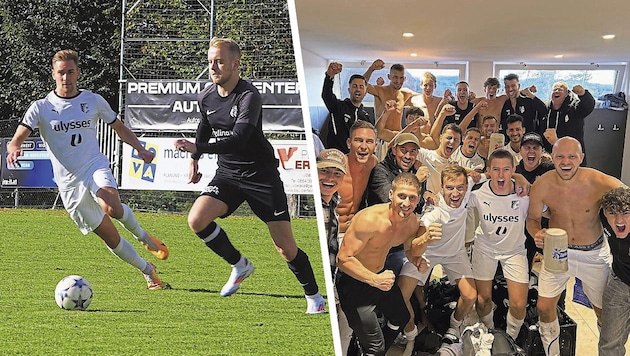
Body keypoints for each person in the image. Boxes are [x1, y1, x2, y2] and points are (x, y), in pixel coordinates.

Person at [174, 37, 325, 313]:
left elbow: (240, 139)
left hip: (261, 177)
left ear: (235, 64)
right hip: (228, 175)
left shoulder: (248, 96)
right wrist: (195, 159)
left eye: (219, 61)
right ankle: (240, 264)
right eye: (210, 62)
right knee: (196, 219)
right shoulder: (206, 96)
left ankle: (314, 298)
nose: (213, 67)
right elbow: (204, 126)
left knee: (286, 248)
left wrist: (199, 148)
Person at [6, 49, 167, 290]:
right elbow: (18, 136)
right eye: (61, 73)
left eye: (70, 72)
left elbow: (119, 128)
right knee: (111, 239)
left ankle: (144, 237)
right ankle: (148, 270)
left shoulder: (93, 100)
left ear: (78, 73)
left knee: (111, 206)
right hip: (68, 185)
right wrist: (14, 147)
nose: (66, 78)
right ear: (53, 74)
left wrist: (140, 149)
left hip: (93, 166)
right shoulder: (41, 107)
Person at [526, 137, 624, 356]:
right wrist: (536, 233)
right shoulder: (543, 184)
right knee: (543, 307)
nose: (566, 162)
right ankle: (553, 353)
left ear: (581, 157)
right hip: (557, 251)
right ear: (552, 158)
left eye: (572, 156)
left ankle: (609, 351)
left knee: (603, 312)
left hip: (593, 252)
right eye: (560, 156)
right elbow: (532, 219)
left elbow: (626, 196)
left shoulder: (598, 180)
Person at [336, 173, 438, 356]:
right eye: (402, 196)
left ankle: (367, 349)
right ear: (391, 194)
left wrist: (417, 261)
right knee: (376, 348)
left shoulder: (412, 222)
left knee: (401, 317)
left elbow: (409, 250)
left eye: (412, 198)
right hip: (354, 282)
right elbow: (342, 259)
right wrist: (374, 279)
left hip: (380, 277)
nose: (406, 203)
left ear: (418, 200)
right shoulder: (369, 219)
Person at [402, 165, 481, 341]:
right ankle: (411, 333)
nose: (455, 193)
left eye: (460, 187)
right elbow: (415, 248)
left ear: (466, 187)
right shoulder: (433, 210)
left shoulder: (468, 189)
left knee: (470, 296)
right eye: (449, 188)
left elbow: (489, 174)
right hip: (428, 253)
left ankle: (454, 324)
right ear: (442, 187)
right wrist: (426, 238)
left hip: (455, 253)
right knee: (402, 293)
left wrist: (519, 177)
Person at [468, 149, 530, 341]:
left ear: (513, 170)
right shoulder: (479, 194)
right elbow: (453, 198)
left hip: (515, 250)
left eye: (506, 169)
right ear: (489, 170)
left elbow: (547, 210)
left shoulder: (524, 194)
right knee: (483, 299)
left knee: (519, 304)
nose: (501, 175)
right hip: (485, 248)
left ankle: (510, 340)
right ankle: (490, 334)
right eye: (496, 169)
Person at [316, 148, 352, 354]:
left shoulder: (333, 202)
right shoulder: (321, 209)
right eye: (325, 171)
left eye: (337, 173)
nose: (330, 178)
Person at [515, 132, 554, 270]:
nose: (531, 151)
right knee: (522, 269)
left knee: (555, 268)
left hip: (546, 225)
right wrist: (516, 175)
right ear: (520, 151)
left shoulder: (549, 169)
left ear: (542, 151)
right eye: (527, 147)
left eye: (535, 148)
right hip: (522, 229)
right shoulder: (515, 170)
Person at [598, 187, 630, 356]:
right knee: (609, 343)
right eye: (612, 212)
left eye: (626, 212)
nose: (619, 220)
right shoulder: (603, 218)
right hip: (619, 283)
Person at [336, 120, 379, 234]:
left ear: (375, 146)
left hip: (356, 232)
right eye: (359, 140)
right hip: (334, 233)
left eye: (369, 141)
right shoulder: (336, 167)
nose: (363, 146)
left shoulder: (373, 163)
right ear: (349, 143)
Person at [537, 81, 595, 164]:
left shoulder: (574, 108)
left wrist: (583, 94)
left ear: (566, 93)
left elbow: (588, 106)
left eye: (560, 90)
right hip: (548, 156)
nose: (556, 91)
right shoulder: (545, 109)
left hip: (571, 156)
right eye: (554, 90)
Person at [322, 62, 372, 153]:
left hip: (357, 159)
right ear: (349, 90)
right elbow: (326, 95)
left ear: (365, 92)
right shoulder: (337, 106)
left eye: (361, 87)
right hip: (337, 158)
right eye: (354, 86)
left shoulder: (365, 116)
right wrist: (329, 76)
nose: (358, 89)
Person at [363, 59, 416, 132]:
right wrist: (371, 69)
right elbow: (362, 84)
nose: (398, 81)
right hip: (382, 137)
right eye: (395, 77)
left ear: (404, 78)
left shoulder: (405, 94)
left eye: (401, 78)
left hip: (397, 137)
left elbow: (424, 98)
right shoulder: (380, 90)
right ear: (389, 77)